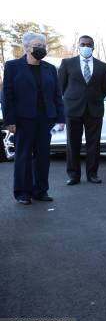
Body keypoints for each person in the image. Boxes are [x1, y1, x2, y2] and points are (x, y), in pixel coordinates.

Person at [1, 32, 65, 204]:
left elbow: (57, 95)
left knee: (43, 156)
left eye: (43, 46)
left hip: (45, 119)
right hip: (23, 119)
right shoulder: (13, 66)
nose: (42, 49)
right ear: (27, 47)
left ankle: (40, 191)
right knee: (23, 156)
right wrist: (10, 120)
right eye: (38, 46)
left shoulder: (50, 68)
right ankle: (23, 192)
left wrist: (60, 117)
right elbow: (7, 95)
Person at [58, 35, 106, 185]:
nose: (86, 46)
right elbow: (61, 86)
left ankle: (92, 174)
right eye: (83, 44)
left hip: (94, 109)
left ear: (93, 47)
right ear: (78, 46)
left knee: (94, 143)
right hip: (73, 109)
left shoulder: (102, 66)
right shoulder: (67, 63)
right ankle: (73, 175)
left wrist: (95, 97)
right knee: (72, 143)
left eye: (89, 44)